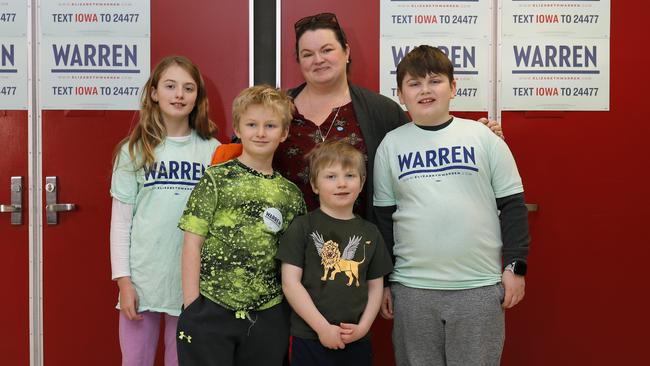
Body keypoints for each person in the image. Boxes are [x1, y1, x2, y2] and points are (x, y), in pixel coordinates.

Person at [373, 45, 530, 365]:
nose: (425, 90)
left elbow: (513, 205)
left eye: (435, 80)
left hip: (478, 289)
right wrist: (386, 282)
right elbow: (383, 219)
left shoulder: (484, 138)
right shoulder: (391, 145)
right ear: (401, 95)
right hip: (412, 289)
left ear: (453, 87)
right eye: (414, 84)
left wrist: (516, 266)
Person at [275, 12, 504, 218]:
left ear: (346, 52)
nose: (318, 59)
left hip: (363, 250)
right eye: (307, 54)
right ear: (299, 60)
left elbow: (423, 150)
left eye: (327, 50)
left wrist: (476, 138)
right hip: (289, 248)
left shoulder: (381, 110)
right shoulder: (276, 109)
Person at [176, 85, 306, 366]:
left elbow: (293, 260)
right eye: (252, 124)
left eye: (270, 125)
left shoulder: (291, 195)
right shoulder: (215, 179)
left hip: (268, 314)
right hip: (210, 308)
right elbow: (192, 242)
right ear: (237, 127)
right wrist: (191, 306)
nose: (261, 132)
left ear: (283, 133)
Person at [110, 55, 220, 366]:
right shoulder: (133, 150)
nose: (179, 95)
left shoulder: (212, 150)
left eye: (188, 88)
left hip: (192, 285)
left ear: (197, 97)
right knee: (135, 360)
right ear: (155, 92)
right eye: (170, 86)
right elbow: (120, 222)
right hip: (143, 281)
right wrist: (123, 281)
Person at [277, 140, 393, 366]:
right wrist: (322, 328)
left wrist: (363, 327)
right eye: (331, 177)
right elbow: (290, 283)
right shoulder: (302, 227)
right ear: (314, 184)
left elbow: (375, 286)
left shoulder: (370, 232)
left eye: (350, 176)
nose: (341, 183)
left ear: (362, 183)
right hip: (309, 337)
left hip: (357, 338)